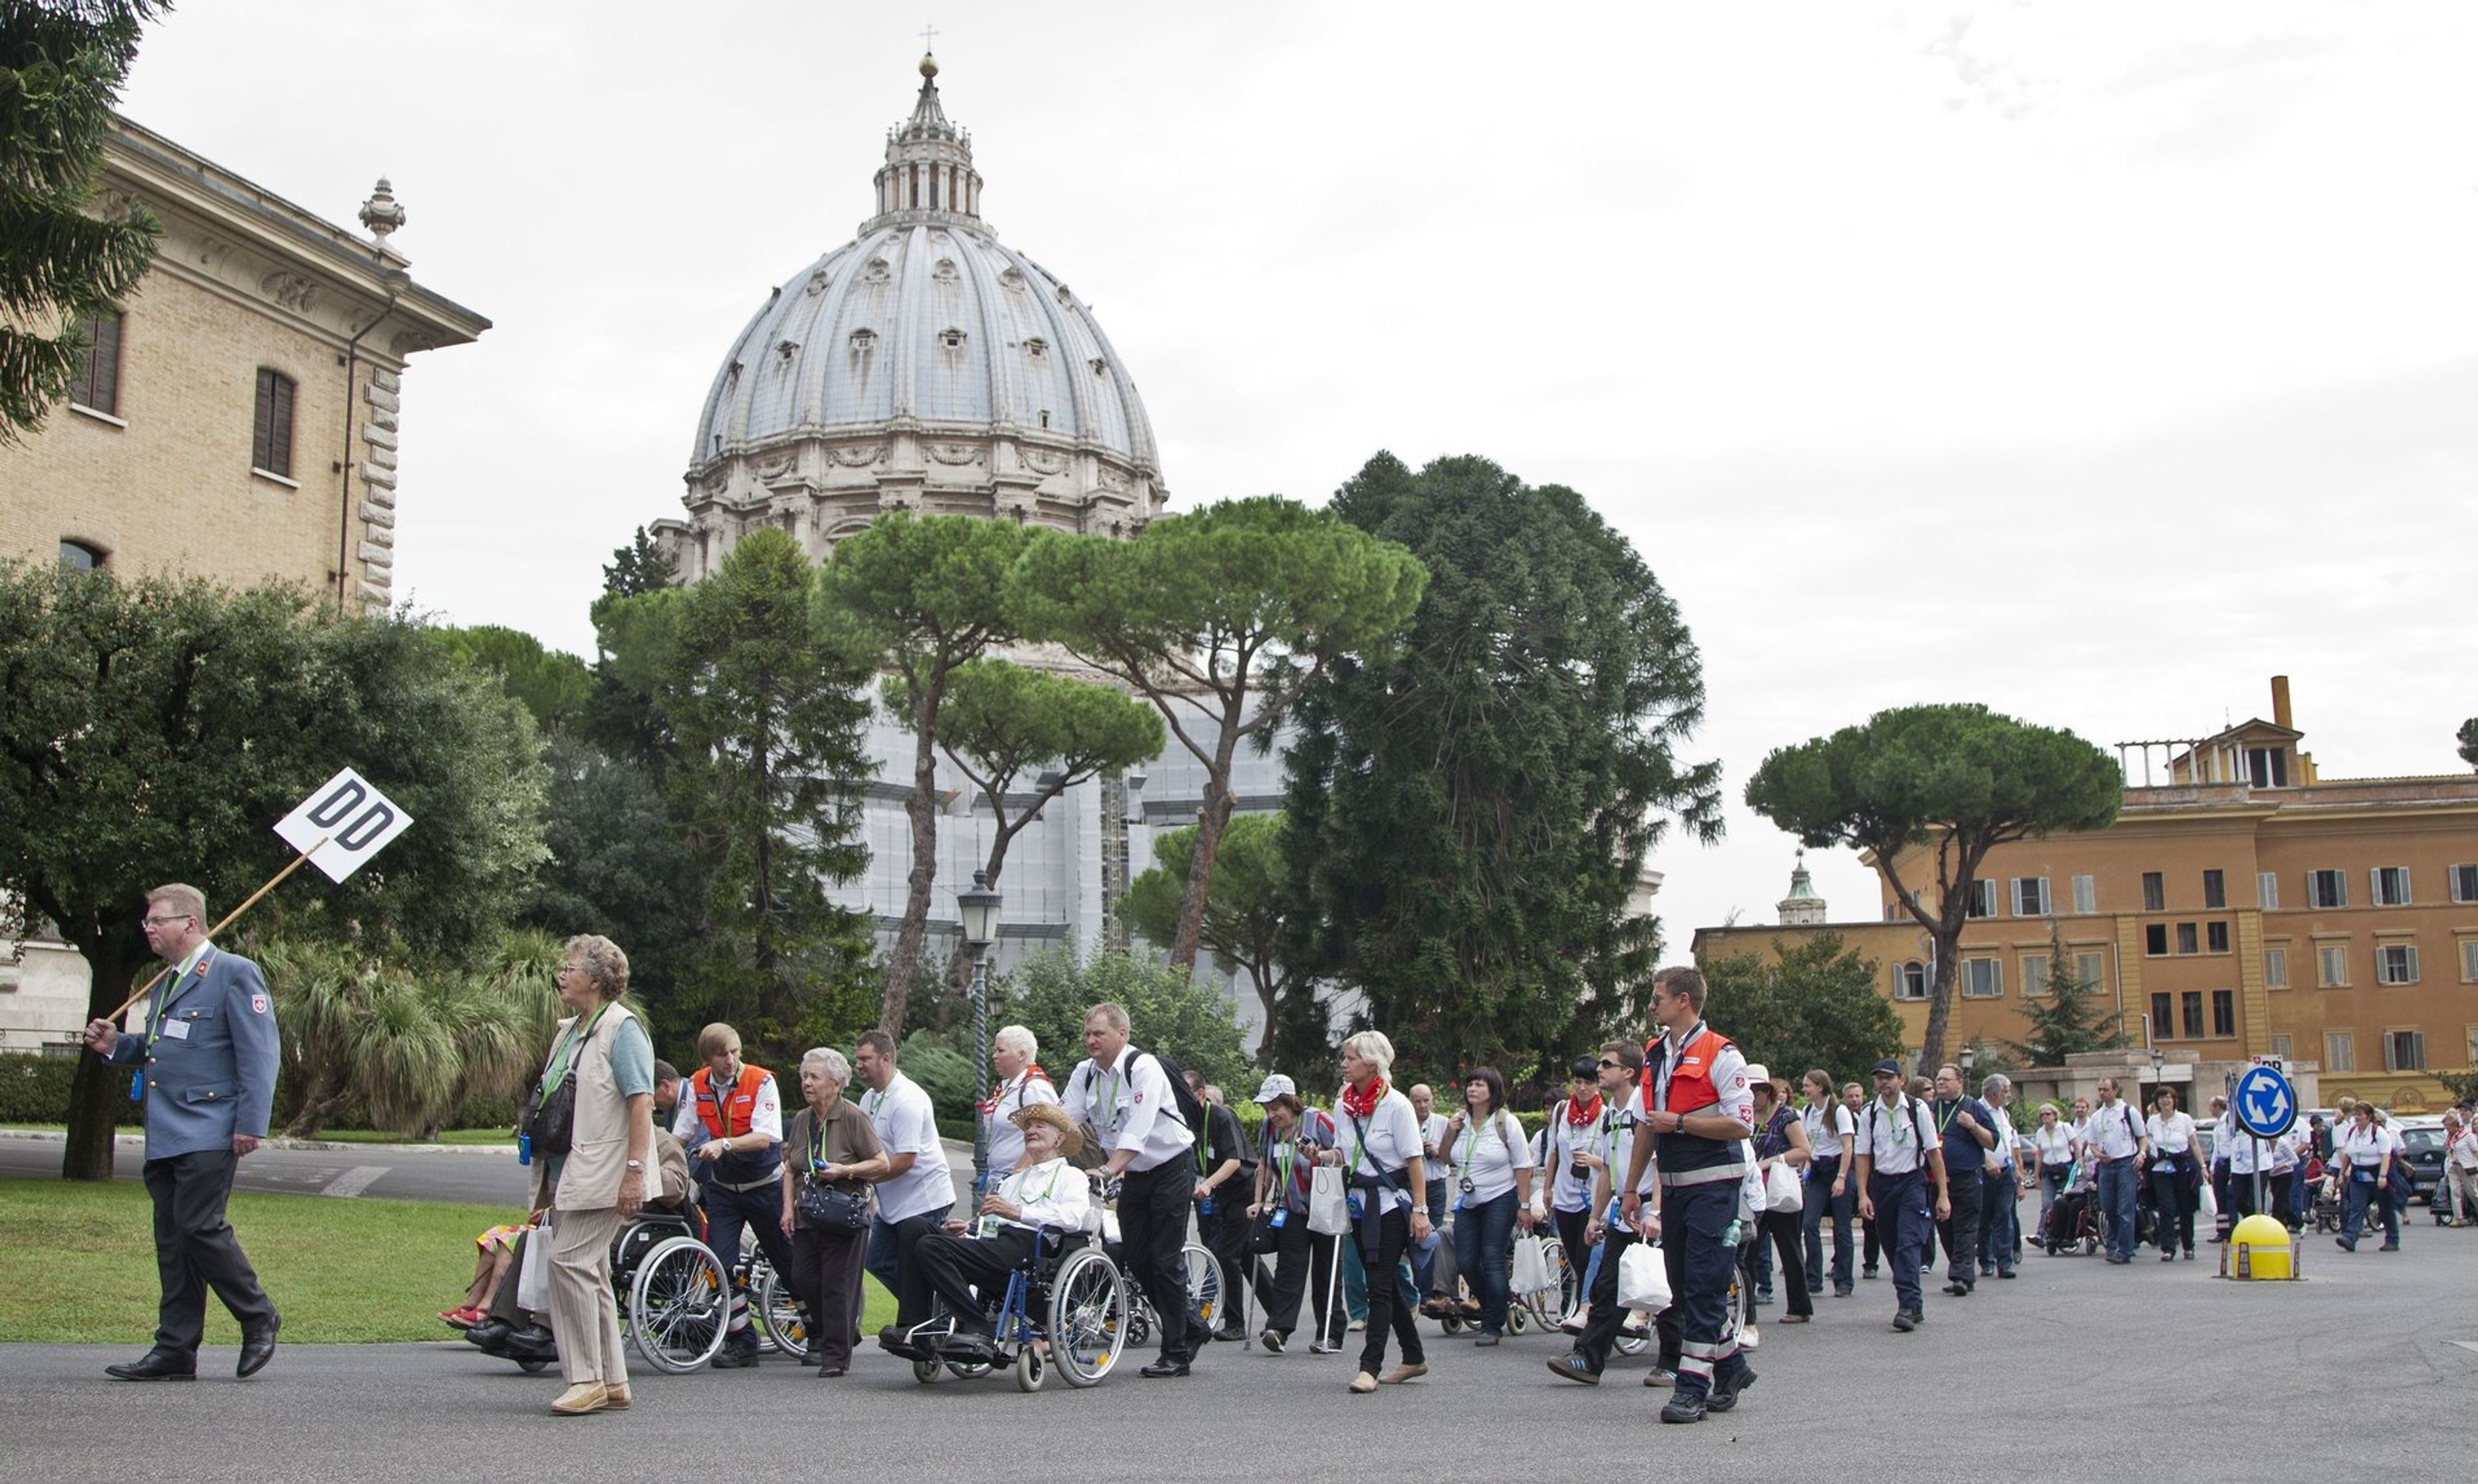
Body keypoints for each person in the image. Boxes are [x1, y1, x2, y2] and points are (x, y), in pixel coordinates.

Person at [83, 884, 282, 1383]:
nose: (148, 929)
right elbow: (163, 1050)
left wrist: (250, 1124)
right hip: (167, 1131)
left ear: (189, 923)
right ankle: (175, 1348)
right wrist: (116, 1045)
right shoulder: (167, 981)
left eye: (157, 921)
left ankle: (258, 1314)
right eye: (147, 922)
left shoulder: (234, 973)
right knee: (174, 1241)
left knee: (198, 1226)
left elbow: (260, 1054)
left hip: (210, 1127)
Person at [1622, 965, 1756, 1423]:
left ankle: (1691, 1388)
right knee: (1683, 1289)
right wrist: (1631, 1189)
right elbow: (1647, 1125)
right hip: (1676, 1188)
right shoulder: (1656, 1053)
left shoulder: (1722, 1053)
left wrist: (1680, 1123)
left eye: (1657, 998)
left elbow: (1742, 1124)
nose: (1651, 1005)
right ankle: (1732, 1367)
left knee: (1703, 1285)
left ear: (1684, 1000)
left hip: (1715, 1187)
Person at [534, 934, 656, 1415]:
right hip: (571, 1170)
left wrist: (634, 1174)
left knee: (568, 1262)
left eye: (570, 968)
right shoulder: (570, 1031)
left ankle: (586, 1378)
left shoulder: (622, 1030)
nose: (562, 975)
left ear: (597, 979)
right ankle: (613, 1379)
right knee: (592, 1269)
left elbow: (641, 1103)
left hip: (605, 1171)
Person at [1062, 1001, 1198, 1377]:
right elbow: (1064, 1122)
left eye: (1099, 1033)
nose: (1091, 1040)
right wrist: (1036, 1155)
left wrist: (1108, 1170)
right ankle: (1192, 1324)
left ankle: (1176, 1353)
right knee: (1136, 1257)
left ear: (1122, 1034)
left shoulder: (1143, 1067)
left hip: (1171, 1165)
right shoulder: (1085, 1073)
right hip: (1135, 1172)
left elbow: (1138, 1130)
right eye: (1087, 1034)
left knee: (1164, 1258)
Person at [911, 1102, 1091, 1358]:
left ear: (1059, 1138)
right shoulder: (1012, 1181)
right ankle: (914, 1327)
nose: (1030, 1131)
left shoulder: (1071, 1176)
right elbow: (994, 1223)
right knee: (915, 1227)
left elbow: (1074, 1218)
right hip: (997, 1243)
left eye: (1039, 1126)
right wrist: (969, 1231)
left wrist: (1020, 1213)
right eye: (1028, 1127)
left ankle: (977, 1326)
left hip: (1032, 1245)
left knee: (931, 1246)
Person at [674, 1021, 791, 1367]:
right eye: (722, 1054)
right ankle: (743, 1339)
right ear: (707, 1058)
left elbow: (765, 1137)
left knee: (786, 1260)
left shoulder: (761, 1081)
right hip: (724, 1188)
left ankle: (816, 1329)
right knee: (716, 1264)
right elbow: (682, 1132)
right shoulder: (697, 1084)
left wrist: (723, 1144)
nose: (731, 1060)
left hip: (764, 1185)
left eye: (735, 1052)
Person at [1321, 1031, 1431, 1394]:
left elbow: (1414, 1160)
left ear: (1372, 1064)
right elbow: (1342, 1151)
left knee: (1379, 1284)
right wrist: (1322, 1156)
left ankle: (1369, 1367)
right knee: (1382, 1281)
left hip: (1389, 1204)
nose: (1344, 1063)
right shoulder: (1343, 1104)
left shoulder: (1397, 1105)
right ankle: (1414, 1356)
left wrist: (1420, 1210)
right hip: (1358, 1203)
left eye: (1350, 1058)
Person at [1548, 1039, 1655, 1381]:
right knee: (1606, 1286)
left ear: (1629, 1072)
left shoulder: (1645, 1110)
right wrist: (1596, 1216)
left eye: (1607, 1064)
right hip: (1622, 1212)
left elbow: (1662, 1165)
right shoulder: (1611, 1114)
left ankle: (1673, 1363)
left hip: (1649, 1210)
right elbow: (1608, 1169)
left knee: (1662, 1291)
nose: (1599, 1070)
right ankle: (1588, 1358)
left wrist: (1657, 1213)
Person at [775, 1047, 886, 1378]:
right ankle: (843, 1330)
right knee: (803, 1277)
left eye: (814, 1077)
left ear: (836, 1084)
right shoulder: (803, 1119)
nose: (807, 1083)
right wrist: (787, 1209)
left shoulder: (853, 1117)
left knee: (837, 1285)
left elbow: (881, 1163)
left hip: (844, 1213)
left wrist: (844, 1170)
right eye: (804, 1076)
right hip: (809, 1212)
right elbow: (790, 1168)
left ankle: (835, 1356)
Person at [858, 1029, 954, 1351]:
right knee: (877, 1260)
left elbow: (905, 1160)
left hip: (924, 1198)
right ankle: (934, 1315)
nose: (859, 1065)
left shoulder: (908, 1099)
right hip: (892, 1204)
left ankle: (929, 1323)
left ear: (885, 1059)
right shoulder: (869, 1098)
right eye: (858, 1059)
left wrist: (859, 1175)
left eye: (865, 1059)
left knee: (918, 1265)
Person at [1439, 1065, 1538, 1344]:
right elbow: (1446, 1158)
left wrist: (1525, 1205)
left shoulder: (1506, 1122)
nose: (1473, 1089)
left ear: (1493, 1091)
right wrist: (1448, 1133)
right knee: (1466, 1261)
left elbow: (1523, 1165)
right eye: (1470, 1084)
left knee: (1492, 1258)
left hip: (1500, 1198)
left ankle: (1492, 1325)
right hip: (1468, 1201)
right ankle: (1494, 1305)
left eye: (1480, 1085)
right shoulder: (1460, 1121)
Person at [1853, 1056, 1947, 1334]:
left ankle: (1906, 1306)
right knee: (1892, 1245)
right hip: (1882, 1184)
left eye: (1889, 1078)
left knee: (1909, 1243)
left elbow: (1934, 1153)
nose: (1884, 1083)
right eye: (1879, 1078)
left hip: (1912, 1183)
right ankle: (1914, 1302)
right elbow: (1863, 1155)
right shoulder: (1870, 1113)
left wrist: (1943, 1194)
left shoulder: (1917, 1110)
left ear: (1901, 1080)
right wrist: (1863, 1194)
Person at [1249, 1076, 1343, 1353]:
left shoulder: (1319, 1121)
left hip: (1326, 1206)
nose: (1272, 1114)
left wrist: (1320, 1155)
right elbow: (1265, 1164)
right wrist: (1259, 1201)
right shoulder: (1269, 1128)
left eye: (1276, 1107)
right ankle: (1278, 1328)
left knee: (1326, 1271)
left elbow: (1344, 1154)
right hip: (1292, 1207)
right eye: (1267, 1109)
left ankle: (1330, 1333)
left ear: (1292, 1103)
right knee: (1289, 1268)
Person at [1189, 1066, 1254, 1340]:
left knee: (1226, 1255)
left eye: (1186, 1094)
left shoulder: (1221, 1117)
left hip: (1240, 1190)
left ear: (1201, 1094)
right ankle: (1279, 1313)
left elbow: (1233, 1161)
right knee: (1245, 1255)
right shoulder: (1186, 1121)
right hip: (1216, 1193)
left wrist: (1207, 1184)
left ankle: (1236, 1323)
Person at [1745, 1069, 1812, 1323]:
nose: (1753, 1096)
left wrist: (1770, 1162)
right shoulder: (1742, 1115)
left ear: (1768, 1091)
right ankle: (1746, 1308)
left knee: (1789, 1248)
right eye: (1749, 1091)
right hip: (1753, 1193)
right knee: (1748, 1251)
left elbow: (1803, 1150)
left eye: (1758, 1091)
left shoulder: (1785, 1116)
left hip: (1780, 1191)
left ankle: (1799, 1307)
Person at [1541, 1056, 1603, 1319]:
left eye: (1589, 1082)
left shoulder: (1607, 1114)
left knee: (1587, 1258)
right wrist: (1548, 1188)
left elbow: (1613, 1161)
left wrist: (1594, 1161)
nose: (1582, 1088)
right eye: (1578, 1082)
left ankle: (1588, 1315)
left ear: (1598, 1084)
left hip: (1592, 1197)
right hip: (1565, 1195)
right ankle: (1586, 1313)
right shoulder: (1562, 1111)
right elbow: (1554, 1152)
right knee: (1575, 1261)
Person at [1928, 1064, 1996, 1298]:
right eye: (1938, 1079)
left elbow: (1992, 1141)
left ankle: (1960, 1276)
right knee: (1945, 1228)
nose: (1940, 1083)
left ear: (1960, 1083)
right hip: (1937, 1181)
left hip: (1966, 1179)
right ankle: (1963, 1273)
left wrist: (1973, 1126)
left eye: (1946, 1079)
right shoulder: (1929, 1109)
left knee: (1965, 1228)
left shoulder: (1973, 1107)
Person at [2078, 1078, 2149, 1264]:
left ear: (2115, 1091)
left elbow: (2143, 1137)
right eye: (2100, 1090)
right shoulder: (2097, 1116)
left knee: (2125, 1208)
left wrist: (2141, 1154)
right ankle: (2112, 1244)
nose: (2102, 1093)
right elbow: (2092, 1143)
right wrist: (2097, 1154)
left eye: (2106, 1089)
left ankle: (2124, 1250)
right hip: (2106, 1165)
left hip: (2126, 1163)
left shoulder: (2128, 1111)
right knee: (2108, 1207)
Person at [1799, 1068, 1856, 1299]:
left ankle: (1844, 1280)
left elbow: (1848, 1146)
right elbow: (1807, 1144)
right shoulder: (1808, 1111)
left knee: (1842, 1228)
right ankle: (1813, 1280)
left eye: (1808, 1086)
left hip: (1836, 1168)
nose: (1804, 1090)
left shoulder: (1839, 1111)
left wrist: (1841, 1177)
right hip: (1817, 1171)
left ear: (1820, 1087)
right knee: (1809, 1224)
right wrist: (1805, 1169)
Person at [978, 1023, 1057, 1181]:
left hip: (1021, 1179)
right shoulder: (1007, 1087)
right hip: (999, 1177)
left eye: (1000, 1051)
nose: (994, 1056)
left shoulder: (1034, 1088)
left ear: (1021, 1055)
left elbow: (1050, 1135)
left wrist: (1019, 1171)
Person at [1408, 1082, 1452, 1306]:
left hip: (1436, 1185)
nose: (1423, 1105)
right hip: (1412, 1187)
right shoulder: (1406, 1121)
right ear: (1411, 1102)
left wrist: (1437, 1151)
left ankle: (1431, 1292)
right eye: (1418, 1101)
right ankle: (1418, 1291)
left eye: (1426, 1100)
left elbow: (1452, 1157)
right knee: (1414, 1238)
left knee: (1432, 1238)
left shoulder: (1444, 1123)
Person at [2333, 1101, 2398, 1252]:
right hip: (2359, 1174)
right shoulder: (2351, 1132)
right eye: (2355, 1114)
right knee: (2356, 1206)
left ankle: (2392, 1239)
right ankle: (2350, 1238)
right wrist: (2342, 1174)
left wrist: (2383, 1176)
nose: (2357, 1117)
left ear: (2368, 1117)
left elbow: (2386, 1156)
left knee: (2385, 1208)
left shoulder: (2379, 1133)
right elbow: (2348, 1155)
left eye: (2360, 1114)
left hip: (2377, 1173)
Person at [2144, 1087, 2199, 1261]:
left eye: (2168, 1097)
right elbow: (2147, 1142)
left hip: (2181, 1168)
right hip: (2161, 1169)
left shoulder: (2184, 1119)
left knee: (2185, 1208)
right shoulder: (2153, 1121)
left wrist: (2203, 1166)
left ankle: (2188, 1245)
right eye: (2161, 1098)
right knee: (2166, 1208)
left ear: (2174, 1100)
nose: (2165, 1101)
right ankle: (2168, 1248)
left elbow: (2194, 1144)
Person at [1977, 1074, 2022, 1278]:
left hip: (2006, 1171)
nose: (2009, 1095)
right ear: (1993, 1093)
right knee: (1984, 1218)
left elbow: (2008, 1141)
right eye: (2006, 1091)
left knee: (2004, 1215)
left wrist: (2016, 1168)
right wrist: (1986, 1161)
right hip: (1984, 1172)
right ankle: (1986, 1260)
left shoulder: (2003, 1112)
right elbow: (1971, 1142)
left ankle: (2005, 1262)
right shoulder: (1976, 1110)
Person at [2030, 1102, 2076, 1239]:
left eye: (2048, 1114)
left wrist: (2078, 1167)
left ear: (2055, 1115)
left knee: (2065, 1203)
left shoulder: (2065, 1128)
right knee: (2047, 1204)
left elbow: (2077, 1147)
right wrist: (2037, 1176)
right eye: (2042, 1115)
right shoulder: (2040, 1132)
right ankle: (2042, 1234)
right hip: (2049, 1170)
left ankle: (2065, 1233)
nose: (2045, 1117)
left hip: (2065, 1169)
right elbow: (2039, 1155)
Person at [2443, 1109, 2478, 1227]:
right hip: (2454, 1166)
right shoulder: (2450, 1137)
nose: (2446, 1129)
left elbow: (2476, 1151)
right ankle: (2458, 1218)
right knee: (2455, 1192)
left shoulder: (2467, 1136)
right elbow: (2448, 1150)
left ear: (2454, 1125)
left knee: (2473, 1193)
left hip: (2468, 1167)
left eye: (2448, 1126)